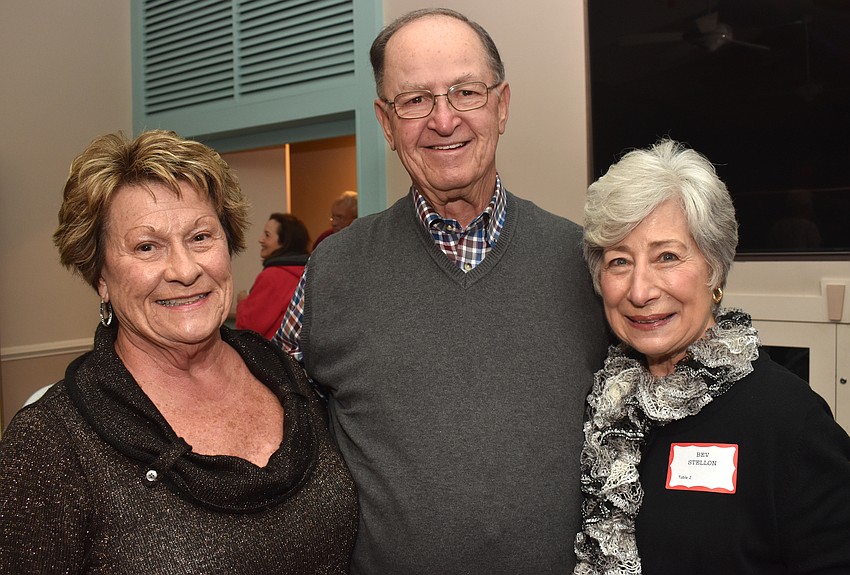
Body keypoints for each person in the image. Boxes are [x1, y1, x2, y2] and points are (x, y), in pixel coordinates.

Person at [273, 8, 609, 574]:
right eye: (415, 100)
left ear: (501, 106)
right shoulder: (332, 270)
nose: (443, 119)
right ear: (386, 122)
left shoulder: (585, 264)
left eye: (465, 92)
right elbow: (276, 427)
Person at [0, 130, 358, 574]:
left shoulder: (284, 373)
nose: (185, 270)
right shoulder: (50, 443)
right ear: (101, 278)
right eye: (146, 246)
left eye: (201, 237)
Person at [573, 139, 850, 575]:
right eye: (619, 261)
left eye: (667, 256)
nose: (640, 291)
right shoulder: (599, 408)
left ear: (714, 268)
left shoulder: (790, 422)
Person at [236, 212, 309, 339]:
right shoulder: (309, 272)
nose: (261, 239)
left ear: (284, 242)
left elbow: (248, 329)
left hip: (272, 354)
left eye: (267, 235)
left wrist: (242, 302)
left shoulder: (272, 277)